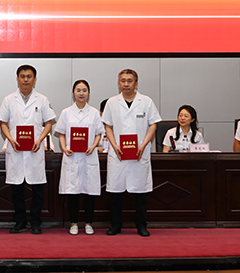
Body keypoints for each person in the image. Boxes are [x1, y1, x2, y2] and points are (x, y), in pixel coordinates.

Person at [0, 64, 56, 235]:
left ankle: (36, 222)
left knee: (37, 189)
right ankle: (20, 222)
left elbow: (49, 123)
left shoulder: (42, 99)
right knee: (17, 190)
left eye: (29, 76)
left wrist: (40, 139)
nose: (25, 80)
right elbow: (3, 123)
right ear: (17, 79)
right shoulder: (9, 99)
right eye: (22, 76)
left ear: (34, 79)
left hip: (34, 150)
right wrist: (10, 139)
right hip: (16, 149)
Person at [102, 69, 161, 237]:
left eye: (129, 81)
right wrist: (114, 145)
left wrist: (143, 144)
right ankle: (116, 225)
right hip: (118, 153)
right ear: (118, 83)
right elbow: (108, 126)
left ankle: (141, 225)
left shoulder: (146, 102)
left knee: (141, 192)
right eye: (123, 81)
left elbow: (153, 124)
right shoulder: (112, 102)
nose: (126, 84)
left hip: (139, 153)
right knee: (116, 192)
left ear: (136, 83)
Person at [55, 80, 104, 235]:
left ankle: (89, 223)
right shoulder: (66, 112)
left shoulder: (94, 113)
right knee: (73, 192)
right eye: (78, 90)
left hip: (89, 156)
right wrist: (64, 148)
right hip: (72, 156)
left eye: (84, 90)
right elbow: (61, 133)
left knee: (90, 191)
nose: (81, 93)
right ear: (73, 93)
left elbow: (99, 133)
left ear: (88, 93)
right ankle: (74, 223)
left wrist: (94, 146)